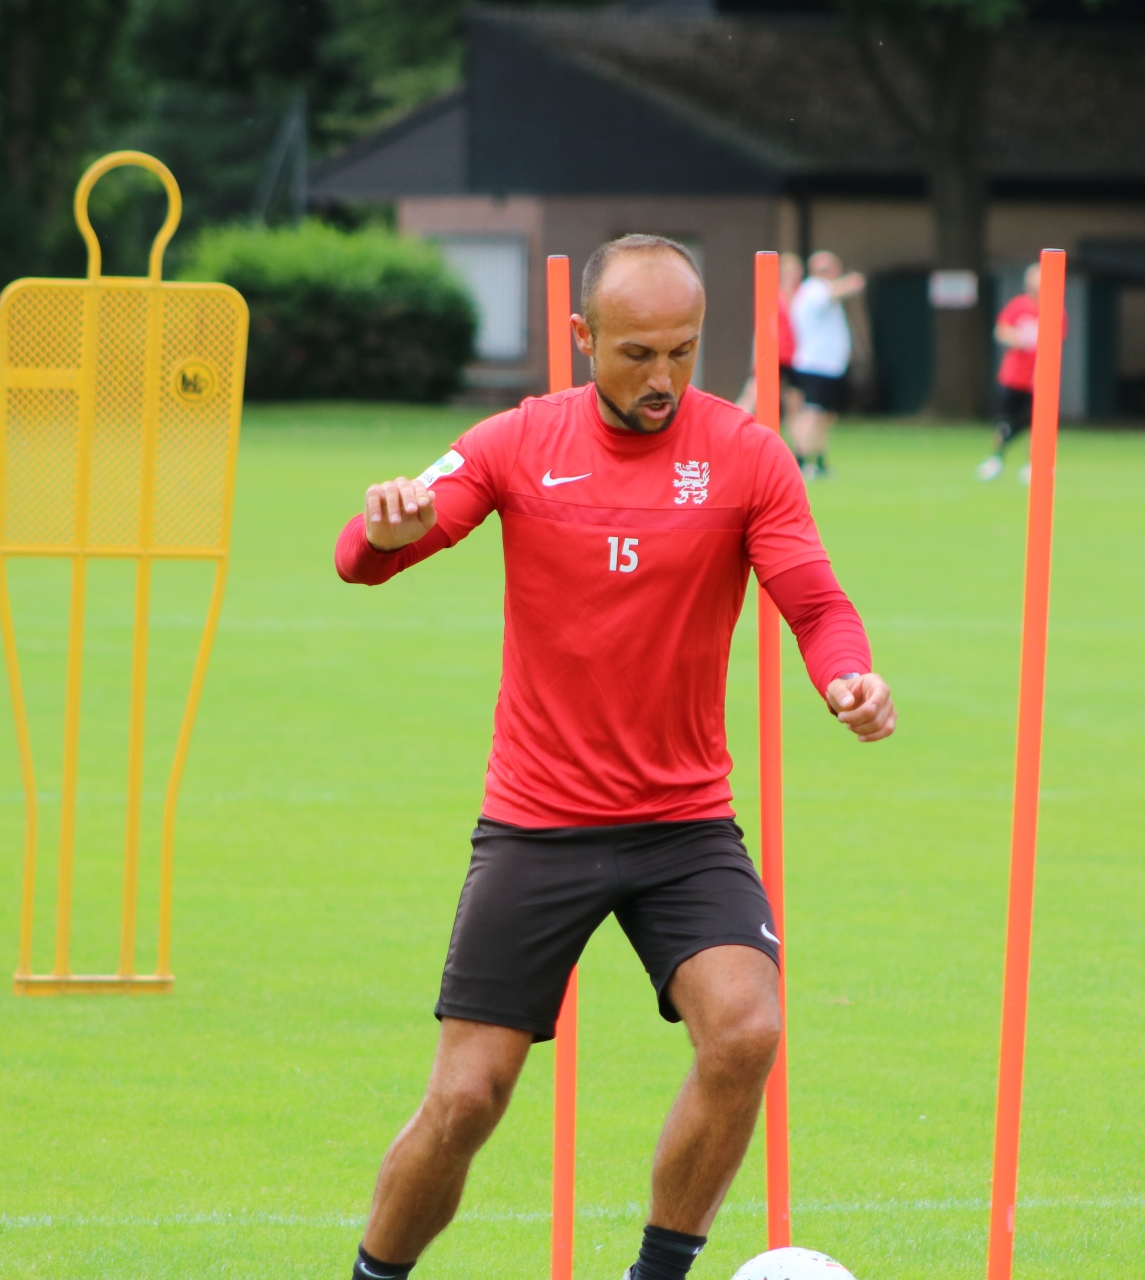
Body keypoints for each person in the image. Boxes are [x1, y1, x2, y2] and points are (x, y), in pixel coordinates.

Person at [334, 234, 895, 1280]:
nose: (663, 378)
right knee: (466, 1098)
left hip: (683, 826)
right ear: (583, 337)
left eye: (683, 351)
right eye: (638, 354)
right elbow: (360, 560)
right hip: (537, 822)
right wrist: (384, 531)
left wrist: (848, 676)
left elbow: (817, 604)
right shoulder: (515, 441)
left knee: (745, 1030)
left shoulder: (747, 455)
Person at [786, 249, 865, 479]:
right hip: (816, 364)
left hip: (830, 366)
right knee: (812, 412)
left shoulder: (818, 290)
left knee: (825, 415)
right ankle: (799, 459)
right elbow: (832, 293)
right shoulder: (814, 289)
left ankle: (818, 459)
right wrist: (851, 283)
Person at [978, 263, 1041, 484]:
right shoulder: (1018, 306)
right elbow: (1001, 331)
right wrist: (1016, 338)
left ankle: (1033, 464)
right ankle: (996, 458)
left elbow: (1057, 342)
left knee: (1036, 425)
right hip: (1013, 377)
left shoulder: (1054, 310)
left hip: (1038, 379)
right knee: (1004, 422)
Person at [735, 251, 804, 434]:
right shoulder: (775, 295)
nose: (793, 275)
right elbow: (761, 328)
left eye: (796, 271)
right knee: (754, 394)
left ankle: (797, 446)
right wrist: (756, 357)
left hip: (794, 356)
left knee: (794, 401)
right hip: (775, 352)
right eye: (788, 271)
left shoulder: (803, 295)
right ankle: (732, 428)